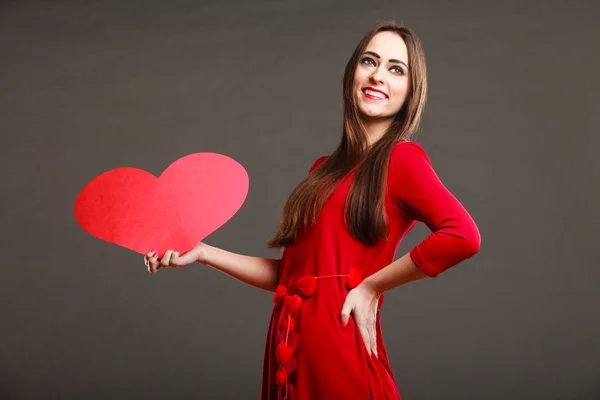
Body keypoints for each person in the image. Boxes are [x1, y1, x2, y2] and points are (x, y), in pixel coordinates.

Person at [144, 20, 480, 400]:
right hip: (289, 345)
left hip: (338, 344)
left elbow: (463, 236)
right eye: (369, 61)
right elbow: (292, 276)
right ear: (352, 72)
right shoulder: (323, 170)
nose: (378, 76)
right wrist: (204, 252)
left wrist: (373, 286)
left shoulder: (402, 160)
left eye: (395, 68)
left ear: (410, 91)